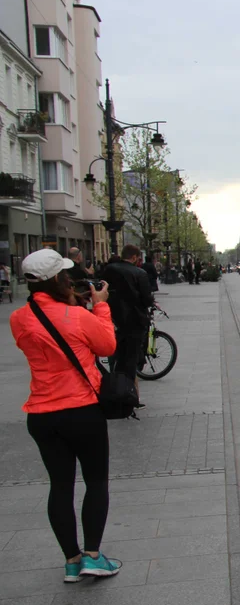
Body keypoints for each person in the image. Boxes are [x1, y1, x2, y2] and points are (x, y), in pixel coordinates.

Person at [9, 248, 123, 583]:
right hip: (82, 410)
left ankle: (72, 561)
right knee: (96, 482)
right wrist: (100, 304)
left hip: (42, 415)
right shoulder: (77, 316)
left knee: (60, 486)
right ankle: (93, 556)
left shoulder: (19, 318)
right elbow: (107, 346)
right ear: (60, 279)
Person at [100, 245, 154, 381]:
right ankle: (126, 387)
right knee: (131, 357)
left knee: (116, 352)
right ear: (135, 257)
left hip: (113, 318)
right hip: (134, 320)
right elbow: (147, 299)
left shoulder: (109, 270)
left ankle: (114, 378)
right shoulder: (140, 273)